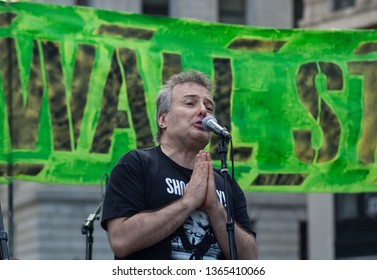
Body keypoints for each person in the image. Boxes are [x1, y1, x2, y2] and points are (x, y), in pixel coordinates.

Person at [100, 70, 258, 260]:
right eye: (190, 103)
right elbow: (121, 241)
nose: (203, 111)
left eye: (209, 107)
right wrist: (188, 202)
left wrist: (215, 208)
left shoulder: (226, 182)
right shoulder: (136, 164)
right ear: (163, 119)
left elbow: (249, 260)